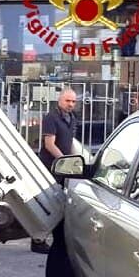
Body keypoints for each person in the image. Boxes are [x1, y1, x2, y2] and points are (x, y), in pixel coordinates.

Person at [33, 88, 79, 254]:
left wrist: (74, 161)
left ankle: (53, 238)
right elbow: (49, 144)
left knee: (59, 203)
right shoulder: (51, 118)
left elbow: (70, 141)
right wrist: (64, 160)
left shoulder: (72, 118)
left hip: (63, 167)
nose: (71, 104)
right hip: (50, 166)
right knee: (46, 203)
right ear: (60, 100)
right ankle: (37, 239)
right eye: (68, 101)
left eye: (73, 101)